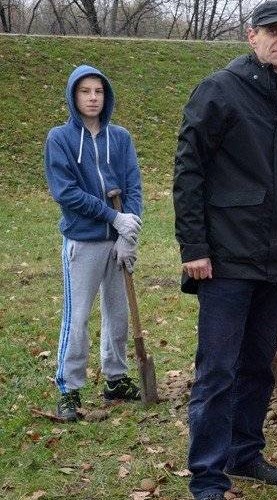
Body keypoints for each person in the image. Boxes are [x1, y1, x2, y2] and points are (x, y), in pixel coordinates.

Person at [173, 2, 277, 499]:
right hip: (226, 256)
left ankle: (244, 452)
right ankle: (207, 475)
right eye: (273, 32)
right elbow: (189, 169)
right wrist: (194, 245)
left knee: (257, 364)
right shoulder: (220, 90)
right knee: (218, 370)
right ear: (251, 36)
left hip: (274, 257)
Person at [45, 64, 143, 422]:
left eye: (98, 91)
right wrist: (110, 216)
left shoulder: (120, 138)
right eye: (85, 91)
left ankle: (115, 378)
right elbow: (66, 192)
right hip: (83, 241)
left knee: (118, 315)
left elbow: (132, 185)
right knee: (78, 317)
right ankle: (69, 388)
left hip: (117, 241)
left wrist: (128, 231)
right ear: (74, 96)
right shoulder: (61, 139)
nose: (92, 98)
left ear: (107, 96)